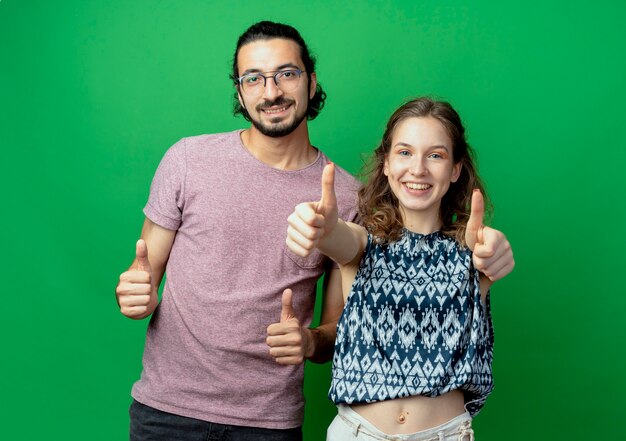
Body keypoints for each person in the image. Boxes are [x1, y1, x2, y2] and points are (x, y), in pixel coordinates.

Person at [116, 20, 514, 440]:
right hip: (166, 409)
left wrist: (307, 340)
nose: (271, 92)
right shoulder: (187, 160)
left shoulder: (347, 196)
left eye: (286, 74)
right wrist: (132, 294)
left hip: (269, 421)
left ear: (311, 81)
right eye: (253, 78)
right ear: (240, 90)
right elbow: (141, 276)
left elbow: (334, 331)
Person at [286, 97, 514, 440]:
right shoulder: (362, 244)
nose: (418, 169)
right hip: (358, 433)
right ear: (386, 165)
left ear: (455, 169)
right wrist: (320, 225)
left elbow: (491, 255)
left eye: (435, 155)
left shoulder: (474, 250)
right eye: (404, 152)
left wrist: (496, 253)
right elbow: (336, 237)